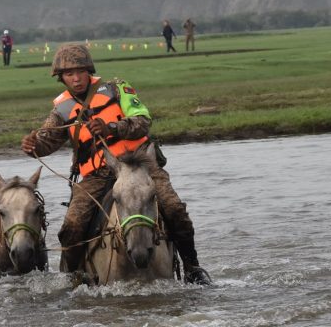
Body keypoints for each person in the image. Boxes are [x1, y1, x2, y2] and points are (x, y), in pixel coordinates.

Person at [20, 44, 210, 285]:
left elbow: (142, 122)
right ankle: (75, 278)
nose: (76, 78)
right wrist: (32, 147)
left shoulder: (117, 89)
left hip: (140, 164)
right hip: (98, 174)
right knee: (72, 225)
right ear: (62, 78)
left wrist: (111, 128)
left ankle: (193, 268)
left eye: (80, 71)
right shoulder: (61, 110)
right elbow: (46, 142)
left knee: (174, 209)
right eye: (69, 74)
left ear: (89, 71)